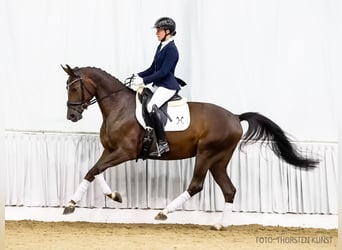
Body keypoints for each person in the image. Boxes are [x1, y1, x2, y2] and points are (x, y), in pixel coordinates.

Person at [131, 17, 181, 157]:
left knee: (151, 106)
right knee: (139, 96)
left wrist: (144, 80)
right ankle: (146, 134)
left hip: (167, 86)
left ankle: (162, 143)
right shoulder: (161, 46)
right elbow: (153, 68)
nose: (156, 33)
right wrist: (138, 76)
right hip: (158, 84)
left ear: (168, 31)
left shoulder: (172, 50)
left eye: (159, 30)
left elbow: (163, 72)